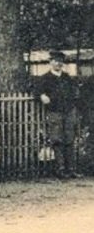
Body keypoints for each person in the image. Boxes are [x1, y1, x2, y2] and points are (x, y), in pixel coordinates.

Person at [37, 50, 79, 178]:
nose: (58, 63)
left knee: (69, 139)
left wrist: (72, 104)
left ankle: (70, 169)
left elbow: (74, 92)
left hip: (68, 111)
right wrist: (42, 95)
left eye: (60, 61)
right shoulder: (44, 78)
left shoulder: (67, 77)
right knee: (57, 140)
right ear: (50, 62)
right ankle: (59, 169)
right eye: (55, 61)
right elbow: (37, 90)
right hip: (54, 112)